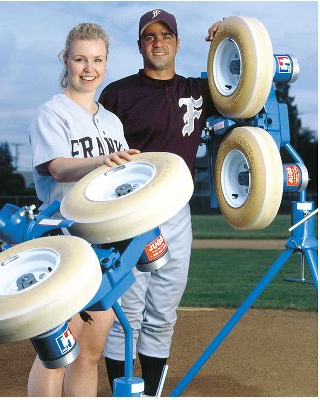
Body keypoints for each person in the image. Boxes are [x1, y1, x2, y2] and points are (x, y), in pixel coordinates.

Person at [99, 9, 221, 396]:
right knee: (127, 313)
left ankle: (150, 394)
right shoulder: (117, 93)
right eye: (149, 36)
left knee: (163, 312)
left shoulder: (199, 91)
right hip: (130, 212)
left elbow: (247, 84)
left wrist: (226, 38)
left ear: (177, 42)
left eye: (165, 34)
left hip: (176, 212)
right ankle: (123, 392)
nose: (158, 41)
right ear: (139, 45)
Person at [27, 22, 139, 397]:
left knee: (90, 351)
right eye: (80, 59)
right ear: (66, 59)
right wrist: (101, 160)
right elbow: (57, 167)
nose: (88, 68)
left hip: (103, 246)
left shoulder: (111, 121)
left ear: (106, 63)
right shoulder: (51, 113)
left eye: (97, 60)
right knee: (57, 354)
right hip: (63, 242)